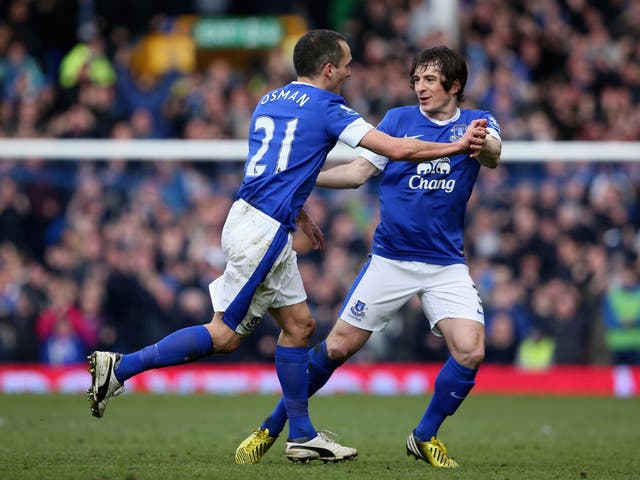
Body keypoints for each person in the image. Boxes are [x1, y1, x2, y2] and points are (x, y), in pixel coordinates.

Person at [87, 31, 487, 464]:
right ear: (329, 69)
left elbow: (285, 166)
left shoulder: (270, 99)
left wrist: (302, 215)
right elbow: (395, 149)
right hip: (263, 231)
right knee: (224, 335)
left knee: (299, 327)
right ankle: (120, 367)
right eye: (348, 64)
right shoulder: (329, 107)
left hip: (260, 218)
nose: (352, 72)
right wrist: (458, 145)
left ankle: (301, 435)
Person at [234, 45, 501, 468]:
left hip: (445, 264)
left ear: (455, 85)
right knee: (336, 348)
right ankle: (271, 427)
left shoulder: (476, 123)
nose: (420, 87)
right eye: (417, 79)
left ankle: (424, 435)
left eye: (430, 80)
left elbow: (493, 155)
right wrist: (305, 176)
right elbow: (359, 172)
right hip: (391, 261)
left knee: (471, 351)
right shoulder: (397, 120)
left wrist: (480, 143)